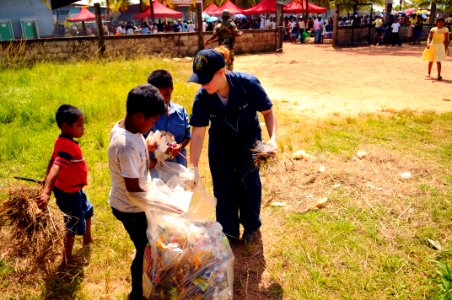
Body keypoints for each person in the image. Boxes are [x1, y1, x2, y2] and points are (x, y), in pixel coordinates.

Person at [187, 49, 277, 244]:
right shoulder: (203, 97)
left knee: (249, 184)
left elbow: (268, 112)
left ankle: (252, 226)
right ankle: (228, 231)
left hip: (248, 142)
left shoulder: (248, 84)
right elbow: (198, 133)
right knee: (223, 187)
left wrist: (273, 139)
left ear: (221, 72)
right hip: (220, 144)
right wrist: (192, 167)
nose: (203, 84)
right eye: (199, 80)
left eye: (206, 79)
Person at [108, 84, 166, 299]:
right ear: (139, 115)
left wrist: (149, 149)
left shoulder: (130, 129)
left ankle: (146, 284)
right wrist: (163, 203)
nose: (153, 125)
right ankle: (138, 294)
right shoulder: (126, 145)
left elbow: (138, 165)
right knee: (145, 250)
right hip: (130, 208)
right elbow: (133, 188)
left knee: (148, 246)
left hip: (137, 203)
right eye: (151, 121)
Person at [37, 104, 93, 265]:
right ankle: (67, 258)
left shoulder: (62, 141)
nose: (83, 129)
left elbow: (52, 158)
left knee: (88, 210)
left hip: (75, 190)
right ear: (66, 127)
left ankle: (87, 238)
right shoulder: (66, 146)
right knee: (73, 224)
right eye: (80, 125)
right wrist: (47, 191)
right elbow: (56, 164)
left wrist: (46, 178)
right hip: (68, 193)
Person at [146, 70, 191, 168]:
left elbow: (187, 136)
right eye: (159, 96)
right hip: (156, 169)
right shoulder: (146, 115)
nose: (163, 100)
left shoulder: (181, 112)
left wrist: (180, 146)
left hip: (179, 166)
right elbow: (140, 139)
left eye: (167, 95)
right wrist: (149, 144)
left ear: (172, 90)